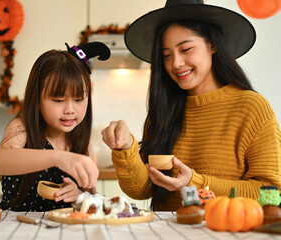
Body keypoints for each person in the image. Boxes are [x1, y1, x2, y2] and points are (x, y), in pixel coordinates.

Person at [102, 0, 281, 211]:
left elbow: (270, 192)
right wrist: (125, 149)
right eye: (166, 55)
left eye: (185, 49)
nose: (175, 63)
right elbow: (142, 189)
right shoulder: (165, 109)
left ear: (212, 44)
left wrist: (193, 182)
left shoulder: (251, 108)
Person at [0, 41, 110, 211]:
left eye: (78, 99)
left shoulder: (83, 143)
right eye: (58, 100)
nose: (70, 110)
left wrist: (79, 195)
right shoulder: (21, 127)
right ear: (37, 98)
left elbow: (91, 196)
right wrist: (59, 157)